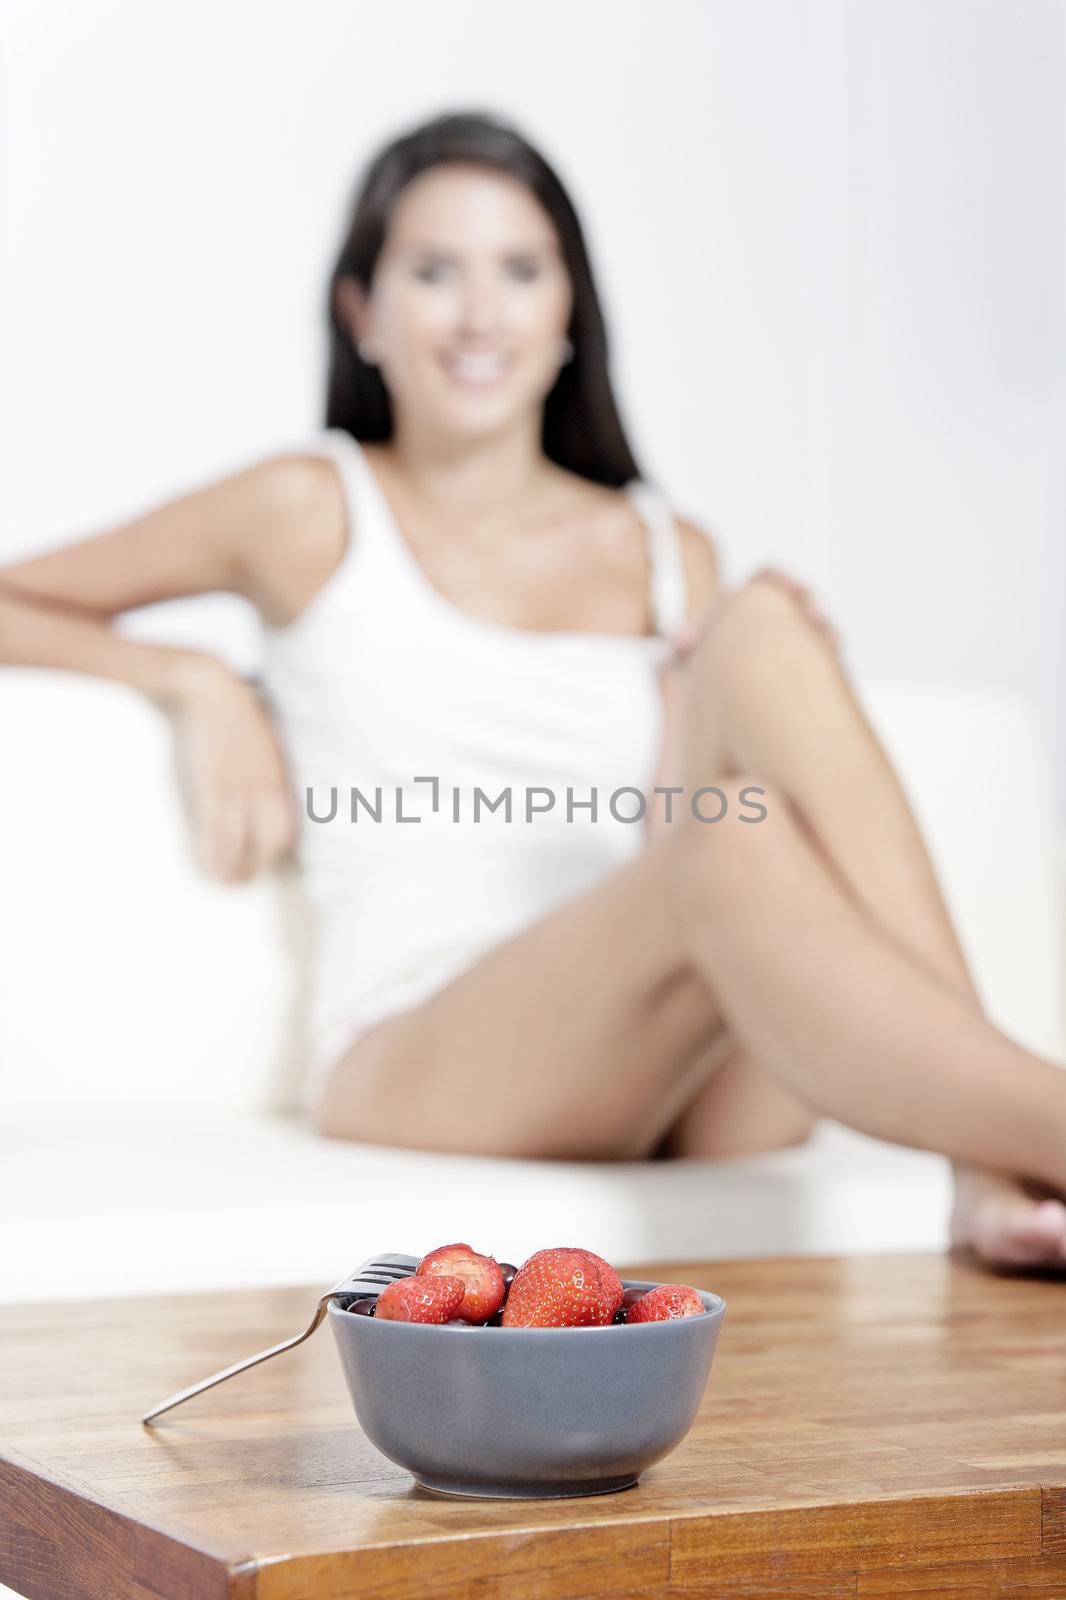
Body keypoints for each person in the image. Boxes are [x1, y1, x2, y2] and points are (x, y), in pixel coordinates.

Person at [2, 110, 1064, 1274]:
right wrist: (187, 674)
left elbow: (680, 830)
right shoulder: (309, 504)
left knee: (760, 635)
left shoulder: (668, 547)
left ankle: (981, 1158)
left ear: (568, 315)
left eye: (519, 270)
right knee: (730, 846)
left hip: (681, 1054)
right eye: (432, 272)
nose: (478, 314)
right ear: (362, 312)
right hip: (428, 1047)